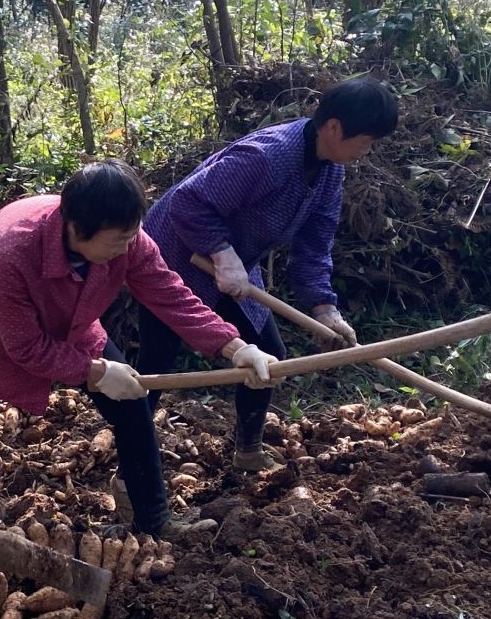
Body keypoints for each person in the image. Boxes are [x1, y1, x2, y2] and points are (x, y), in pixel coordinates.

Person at [0, 160, 275, 607]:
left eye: (130, 236)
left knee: (133, 408)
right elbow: (25, 348)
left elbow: (170, 294)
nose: (126, 248)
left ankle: (155, 519)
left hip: (73, 329)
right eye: (117, 240)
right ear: (76, 228)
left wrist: (234, 346)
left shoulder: (127, 239)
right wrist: (96, 374)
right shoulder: (13, 249)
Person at [138, 76, 399, 469]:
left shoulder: (330, 170)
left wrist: (324, 308)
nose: (367, 150)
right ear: (334, 128)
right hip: (173, 257)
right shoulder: (266, 156)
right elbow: (189, 202)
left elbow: (315, 243)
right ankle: (132, 460)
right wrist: (222, 253)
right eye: (365, 139)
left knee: (269, 358)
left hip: (236, 264)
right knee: (158, 359)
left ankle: (247, 452)